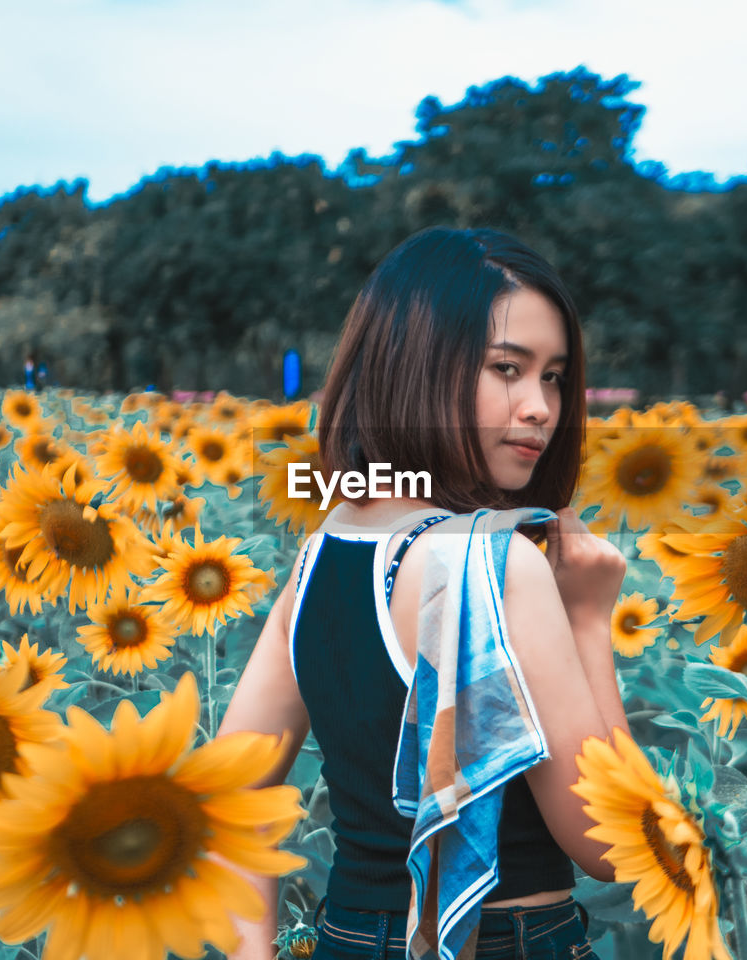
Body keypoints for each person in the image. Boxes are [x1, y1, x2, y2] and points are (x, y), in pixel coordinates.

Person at [217, 227, 629, 960]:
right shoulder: (498, 567)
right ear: (416, 367)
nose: (540, 406)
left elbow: (226, 801)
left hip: (348, 937)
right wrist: (592, 619)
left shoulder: (316, 560)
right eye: (508, 368)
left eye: (555, 377)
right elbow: (613, 844)